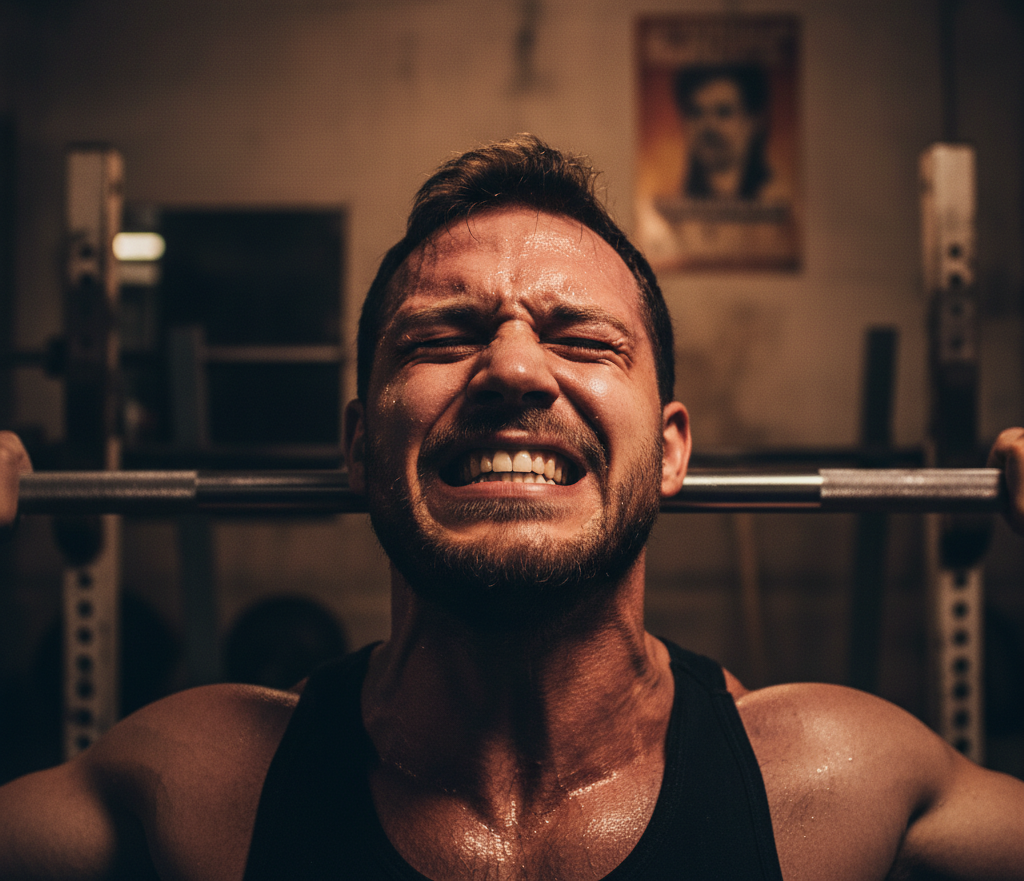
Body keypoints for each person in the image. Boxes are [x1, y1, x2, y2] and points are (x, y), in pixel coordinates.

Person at [1, 134, 1023, 880]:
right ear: (359, 446)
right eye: (442, 339)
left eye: (582, 340)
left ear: (670, 450)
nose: (514, 369)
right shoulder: (202, 781)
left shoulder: (835, 782)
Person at [673, 63, 774, 201]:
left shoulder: (779, 202)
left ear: (754, 122)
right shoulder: (673, 200)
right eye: (697, 112)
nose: (708, 126)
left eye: (723, 112)